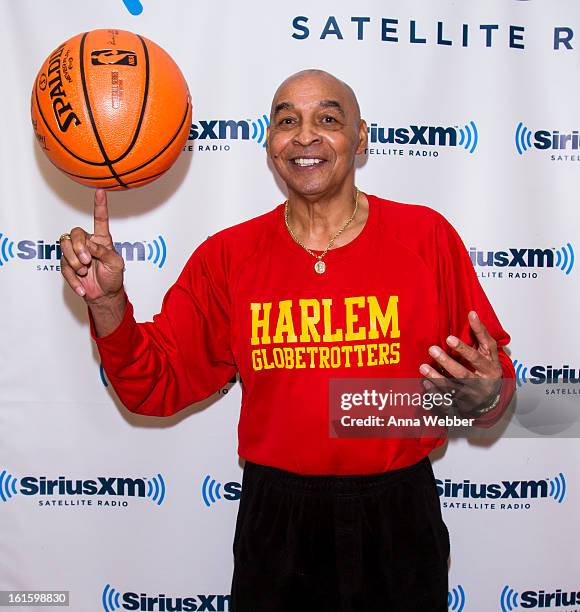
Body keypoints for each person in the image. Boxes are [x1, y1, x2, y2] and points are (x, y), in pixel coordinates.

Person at [59, 69, 516, 611]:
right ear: (269, 143)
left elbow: (492, 390)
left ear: (362, 137)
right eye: (287, 121)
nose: (305, 135)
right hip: (277, 520)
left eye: (328, 118)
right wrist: (108, 302)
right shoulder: (228, 256)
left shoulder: (426, 238)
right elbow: (151, 384)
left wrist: (486, 394)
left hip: (399, 515)